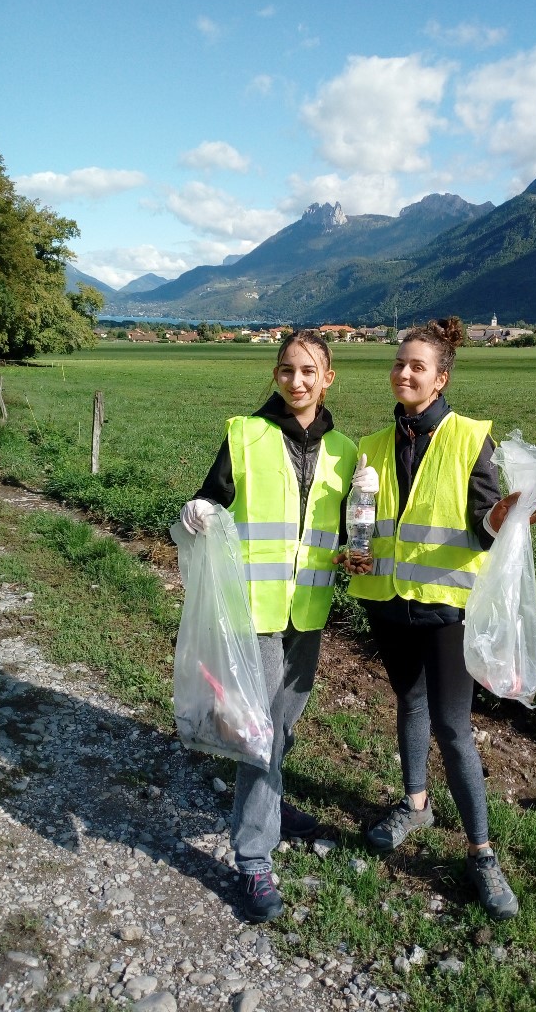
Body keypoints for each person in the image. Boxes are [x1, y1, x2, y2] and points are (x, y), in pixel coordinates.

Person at [340, 316, 536, 922]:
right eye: (399, 363)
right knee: (409, 703)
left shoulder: (466, 438)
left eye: (417, 366)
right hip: (388, 601)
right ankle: (415, 803)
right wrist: (349, 551)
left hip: (446, 607)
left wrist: (504, 518)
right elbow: (365, 522)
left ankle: (481, 853)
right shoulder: (373, 445)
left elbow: (483, 521)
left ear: (440, 378)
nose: (403, 372)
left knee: (453, 727)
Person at [180, 331, 369, 924]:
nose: (296, 381)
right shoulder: (245, 433)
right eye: (286, 370)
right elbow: (210, 503)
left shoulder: (345, 450)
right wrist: (199, 512)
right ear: (275, 374)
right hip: (254, 610)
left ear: (328, 376)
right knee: (260, 735)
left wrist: (351, 557)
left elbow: (341, 532)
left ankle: (272, 807)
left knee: (282, 725)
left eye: (308, 371)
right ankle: (254, 856)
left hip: (306, 613)